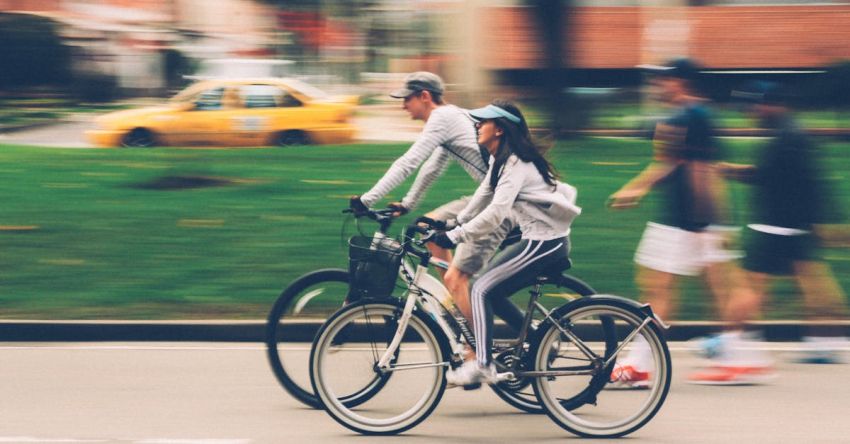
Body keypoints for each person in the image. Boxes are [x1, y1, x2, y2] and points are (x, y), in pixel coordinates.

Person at [608, 58, 771, 386]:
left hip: (693, 220)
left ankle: (739, 358)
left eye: (663, 80)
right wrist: (636, 189)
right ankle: (741, 357)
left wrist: (705, 222)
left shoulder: (695, 115)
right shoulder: (685, 115)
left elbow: (702, 169)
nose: (658, 86)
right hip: (686, 220)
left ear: (681, 82)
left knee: (711, 288)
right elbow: (670, 164)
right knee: (662, 286)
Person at [349, 71, 520, 330]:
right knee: (429, 228)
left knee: (456, 276)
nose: (403, 105)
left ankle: (474, 343)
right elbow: (432, 168)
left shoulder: (442, 118)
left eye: (407, 99)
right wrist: (408, 204)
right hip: (490, 196)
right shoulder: (451, 117)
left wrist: (366, 200)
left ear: (425, 96)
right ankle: (455, 305)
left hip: (502, 204)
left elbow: (409, 162)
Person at [435, 100, 581, 386]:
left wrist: (455, 236)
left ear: (499, 129)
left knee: (479, 289)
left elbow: (496, 212)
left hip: (545, 243)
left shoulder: (516, 162)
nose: (477, 126)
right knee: (493, 291)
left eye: (483, 122)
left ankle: (483, 364)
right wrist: (453, 222)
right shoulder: (501, 160)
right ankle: (539, 339)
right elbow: (483, 194)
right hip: (537, 241)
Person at [719, 81, 848, 365]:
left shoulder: (786, 137)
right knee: (815, 283)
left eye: (755, 106)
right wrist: (822, 221)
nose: (751, 112)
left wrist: (729, 171)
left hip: (776, 225)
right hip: (796, 225)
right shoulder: (792, 132)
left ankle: (731, 343)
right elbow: (810, 180)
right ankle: (825, 342)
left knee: (748, 284)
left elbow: (768, 176)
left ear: (772, 104)